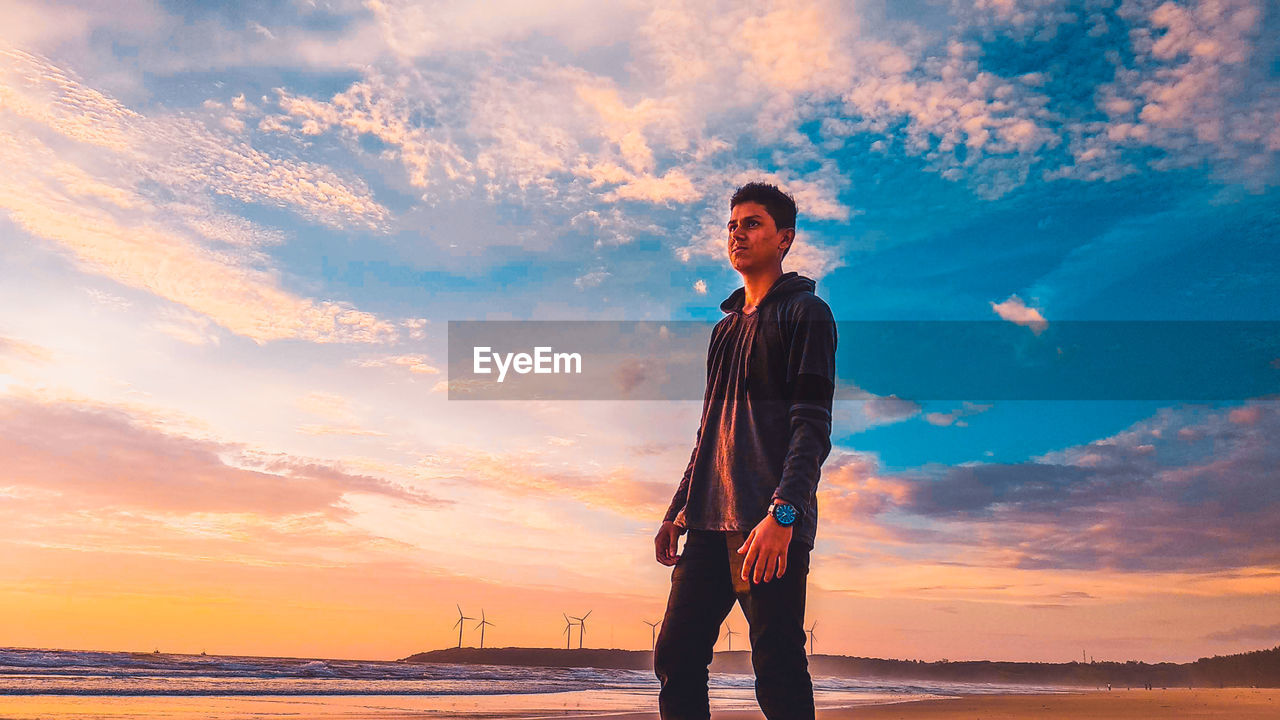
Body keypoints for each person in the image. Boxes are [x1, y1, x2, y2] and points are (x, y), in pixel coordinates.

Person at [653, 182, 837, 720]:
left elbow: (812, 426)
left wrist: (784, 515)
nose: (738, 234)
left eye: (752, 223)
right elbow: (709, 429)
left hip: (767, 528)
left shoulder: (807, 313)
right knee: (676, 656)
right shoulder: (723, 331)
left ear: (785, 239)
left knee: (777, 671)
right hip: (708, 525)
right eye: (733, 225)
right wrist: (676, 510)